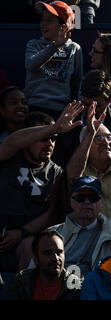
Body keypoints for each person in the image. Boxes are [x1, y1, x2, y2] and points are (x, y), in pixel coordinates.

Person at [0, 102, 83, 272]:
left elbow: (52, 213)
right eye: (44, 138)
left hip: (28, 238)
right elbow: (11, 143)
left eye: (54, 138)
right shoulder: (9, 158)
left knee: (30, 245)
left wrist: (21, 233)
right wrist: (54, 127)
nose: (50, 143)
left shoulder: (56, 172)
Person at [52, 69, 111, 167]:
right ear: (81, 97)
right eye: (87, 105)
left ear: (109, 101)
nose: (92, 111)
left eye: (97, 106)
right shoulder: (68, 126)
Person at [24, 1, 83, 120]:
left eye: (49, 21)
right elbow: (30, 65)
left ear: (64, 27)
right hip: (34, 107)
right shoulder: (34, 44)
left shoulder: (74, 48)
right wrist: (54, 46)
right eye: (42, 19)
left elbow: (78, 83)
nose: (43, 24)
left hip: (60, 111)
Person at [47, 176, 111, 276]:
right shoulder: (51, 234)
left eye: (93, 198)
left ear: (101, 203)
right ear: (71, 202)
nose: (87, 202)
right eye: (80, 198)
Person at [8, 229, 82, 300]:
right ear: (36, 259)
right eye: (48, 253)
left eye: (59, 252)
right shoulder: (22, 283)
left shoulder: (75, 285)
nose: (56, 258)